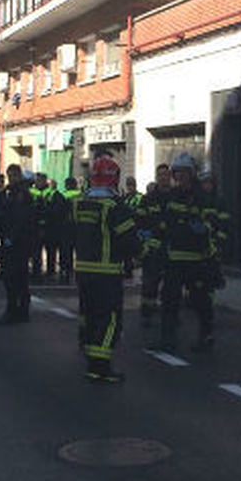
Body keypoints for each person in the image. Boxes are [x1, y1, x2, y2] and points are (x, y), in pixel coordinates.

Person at [71, 156, 140, 383]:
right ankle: (100, 366)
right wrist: (141, 253)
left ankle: (90, 355)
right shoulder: (115, 207)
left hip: (83, 270)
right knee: (109, 319)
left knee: (89, 315)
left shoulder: (79, 203)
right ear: (114, 178)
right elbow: (128, 240)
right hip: (107, 271)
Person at [149, 153, 219, 353]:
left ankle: (206, 335)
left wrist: (202, 231)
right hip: (174, 258)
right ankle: (167, 339)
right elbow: (164, 223)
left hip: (197, 259)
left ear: (192, 173)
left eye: (184, 172)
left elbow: (212, 224)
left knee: (199, 300)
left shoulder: (202, 197)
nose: (180, 176)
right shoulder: (172, 196)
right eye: (177, 173)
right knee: (169, 300)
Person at [0, 165, 36, 325]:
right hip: (13, 240)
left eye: (14, 176)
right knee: (16, 277)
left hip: (18, 242)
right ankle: (20, 310)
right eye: (9, 176)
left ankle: (15, 310)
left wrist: (11, 238)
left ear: (19, 176)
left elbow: (21, 219)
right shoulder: (10, 192)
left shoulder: (22, 194)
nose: (11, 179)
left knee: (14, 277)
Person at [137, 164, 173, 327]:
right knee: (150, 284)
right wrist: (143, 238)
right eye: (160, 175)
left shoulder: (176, 197)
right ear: (157, 177)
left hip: (172, 248)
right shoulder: (148, 198)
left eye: (166, 175)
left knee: (171, 285)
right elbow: (139, 221)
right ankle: (147, 314)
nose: (163, 178)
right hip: (153, 249)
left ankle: (170, 316)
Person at [198, 169, 231, 289]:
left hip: (213, 242)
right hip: (198, 242)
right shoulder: (197, 200)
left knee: (212, 270)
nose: (207, 186)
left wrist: (219, 241)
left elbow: (224, 223)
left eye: (209, 183)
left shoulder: (219, 201)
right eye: (204, 183)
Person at [58, 176, 83, 284]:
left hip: (66, 227)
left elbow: (59, 212)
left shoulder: (62, 195)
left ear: (67, 185)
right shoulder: (81, 195)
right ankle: (79, 272)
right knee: (79, 251)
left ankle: (66, 271)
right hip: (79, 226)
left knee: (66, 251)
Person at [30, 173, 51, 278]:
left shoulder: (50, 192)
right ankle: (36, 272)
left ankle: (50, 272)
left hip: (48, 226)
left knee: (50, 250)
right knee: (36, 251)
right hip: (34, 226)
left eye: (41, 180)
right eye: (37, 180)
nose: (39, 182)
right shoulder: (31, 192)